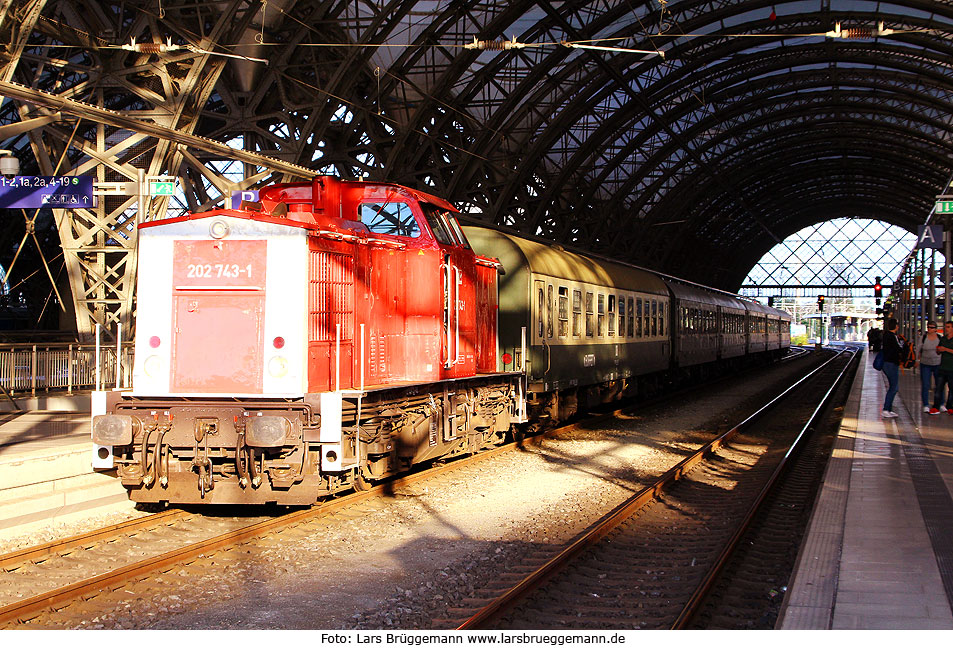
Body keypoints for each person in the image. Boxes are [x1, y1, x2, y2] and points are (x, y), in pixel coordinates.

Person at [919, 321, 942, 414]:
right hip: (925, 363)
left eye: (932, 327)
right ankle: (926, 405)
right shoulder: (923, 338)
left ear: (935, 329)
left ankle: (940, 403)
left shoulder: (940, 338)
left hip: (938, 363)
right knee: (925, 384)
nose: (929, 329)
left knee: (939, 384)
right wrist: (917, 360)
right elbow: (919, 348)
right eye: (928, 327)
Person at [880, 318, 901, 418]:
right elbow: (897, 349)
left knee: (893, 386)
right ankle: (886, 409)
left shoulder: (886, 335)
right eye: (897, 325)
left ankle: (888, 409)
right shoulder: (892, 336)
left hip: (888, 363)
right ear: (895, 326)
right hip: (891, 363)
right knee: (894, 387)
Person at [934, 321, 953, 413]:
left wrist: (945, 349)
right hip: (942, 367)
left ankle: (950, 406)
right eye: (946, 327)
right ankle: (936, 406)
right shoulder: (943, 339)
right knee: (938, 388)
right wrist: (938, 350)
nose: (946, 329)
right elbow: (938, 352)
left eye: (948, 327)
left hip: (951, 368)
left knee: (951, 389)